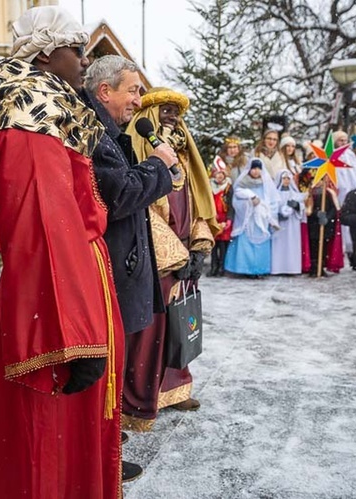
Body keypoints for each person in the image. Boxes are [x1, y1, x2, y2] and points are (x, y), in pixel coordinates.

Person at [0, 7, 125, 497]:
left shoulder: (45, 110)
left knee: (51, 438)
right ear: (44, 52)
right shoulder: (30, 121)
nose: (84, 61)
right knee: (51, 441)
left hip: (64, 287)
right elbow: (47, 232)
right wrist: (75, 336)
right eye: (75, 50)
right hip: (56, 302)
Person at [82, 54, 177, 481]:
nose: (140, 100)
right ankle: (100, 453)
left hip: (122, 268)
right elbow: (118, 197)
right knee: (107, 370)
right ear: (106, 91)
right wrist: (158, 165)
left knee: (115, 367)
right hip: (110, 273)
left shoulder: (109, 132)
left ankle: (107, 443)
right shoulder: (96, 135)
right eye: (133, 90)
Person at [124, 86, 218, 431]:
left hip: (183, 250)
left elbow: (198, 203)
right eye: (165, 110)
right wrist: (175, 257)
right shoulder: (141, 151)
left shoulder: (183, 153)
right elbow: (144, 210)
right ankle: (139, 399)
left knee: (182, 323)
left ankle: (175, 388)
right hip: (156, 253)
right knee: (152, 328)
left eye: (176, 112)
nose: (173, 116)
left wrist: (198, 248)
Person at [224, 158, 280, 277]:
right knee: (246, 243)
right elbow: (236, 201)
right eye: (253, 168)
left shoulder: (266, 183)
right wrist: (249, 203)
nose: (255, 171)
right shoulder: (242, 182)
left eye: (258, 168)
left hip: (262, 219)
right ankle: (245, 269)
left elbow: (272, 200)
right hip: (247, 219)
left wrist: (267, 212)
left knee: (261, 243)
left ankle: (259, 269)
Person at [271, 170, 305, 275]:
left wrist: (297, 206)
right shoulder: (274, 194)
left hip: (292, 224)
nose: (286, 181)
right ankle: (278, 267)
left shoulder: (295, 194)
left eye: (288, 178)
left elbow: (302, 207)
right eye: (284, 178)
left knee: (291, 245)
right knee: (278, 245)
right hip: (279, 224)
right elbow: (270, 206)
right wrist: (277, 215)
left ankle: (292, 267)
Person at [305, 178, 340, 277]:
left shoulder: (328, 194)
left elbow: (334, 208)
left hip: (325, 226)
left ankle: (321, 266)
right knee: (314, 247)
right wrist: (317, 214)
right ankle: (314, 267)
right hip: (313, 226)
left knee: (324, 247)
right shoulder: (310, 194)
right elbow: (308, 209)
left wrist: (327, 217)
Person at [209, 156, 233, 277]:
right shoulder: (209, 187)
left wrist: (229, 218)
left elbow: (231, 204)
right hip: (213, 219)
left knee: (223, 246)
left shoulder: (228, 187)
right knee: (213, 246)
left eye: (221, 174)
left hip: (224, 220)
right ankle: (213, 266)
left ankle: (222, 267)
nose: (219, 176)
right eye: (217, 174)